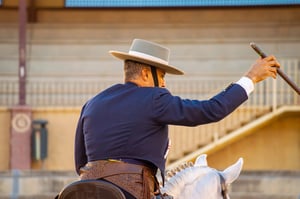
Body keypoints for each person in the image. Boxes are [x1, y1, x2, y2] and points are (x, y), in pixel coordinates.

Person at [74, 39, 280, 199]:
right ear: (146, 73)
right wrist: (251, 78)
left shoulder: (92, 103)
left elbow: (80, 161)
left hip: (83, 190)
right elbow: (211, 110)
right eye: (162, 76)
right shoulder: (155, 97)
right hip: (133, 192)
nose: (163, 83)